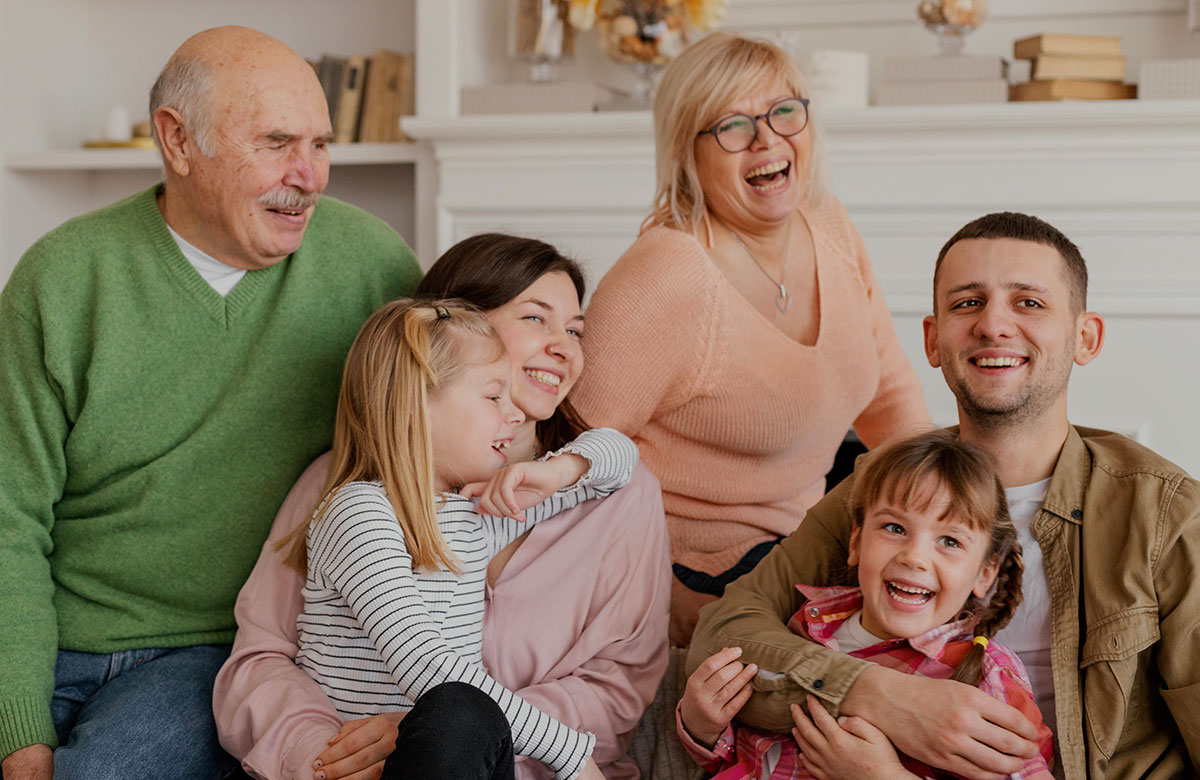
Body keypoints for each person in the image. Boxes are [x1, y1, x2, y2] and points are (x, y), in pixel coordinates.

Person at [0, 25, 420, 780]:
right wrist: (20, 733)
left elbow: (466, 438)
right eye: (277, 142)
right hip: (51, 631)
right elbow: (7, 516)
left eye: (321, 144)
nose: (311, 175)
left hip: (213, 650)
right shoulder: (62, 278)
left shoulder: (374, 267)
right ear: (177, 140)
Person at [690, 212, 1200, 780]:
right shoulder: (884, 484)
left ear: (1086, 338)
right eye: (967, 304)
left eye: (1028, 303)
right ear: (933, 341)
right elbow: (726, 633)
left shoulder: (1166, 515)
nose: (993, 326)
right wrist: (885, 698)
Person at [214, 234, 671, 780]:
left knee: (455, 717)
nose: (565, 348)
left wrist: (561, 471)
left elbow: (613, 693)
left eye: (575, 330)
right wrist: (329, 753)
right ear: (454, 328)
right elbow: (263, 662)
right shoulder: (347, 492)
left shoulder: (571, 497)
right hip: (355, 768)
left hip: (508, 765)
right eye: (535, 319)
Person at [569, 32, 931, 649]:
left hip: (800, 551)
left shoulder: (830, 226)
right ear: (689, 151)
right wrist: (662, 597)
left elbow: (888, 394)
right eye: (733, 126)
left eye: (784, 112)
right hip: (695, 569)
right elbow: (565, 457)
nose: (768, 139)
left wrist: (953, 508)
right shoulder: (667, 274)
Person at [678, 430, 1054, 780]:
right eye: (894, 528)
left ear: (984, 574)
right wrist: (704, 729)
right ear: (856, 541)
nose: (915, 557)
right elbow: (750, 756)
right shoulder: (803, 626)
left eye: (950, 542)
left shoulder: (987, 678)